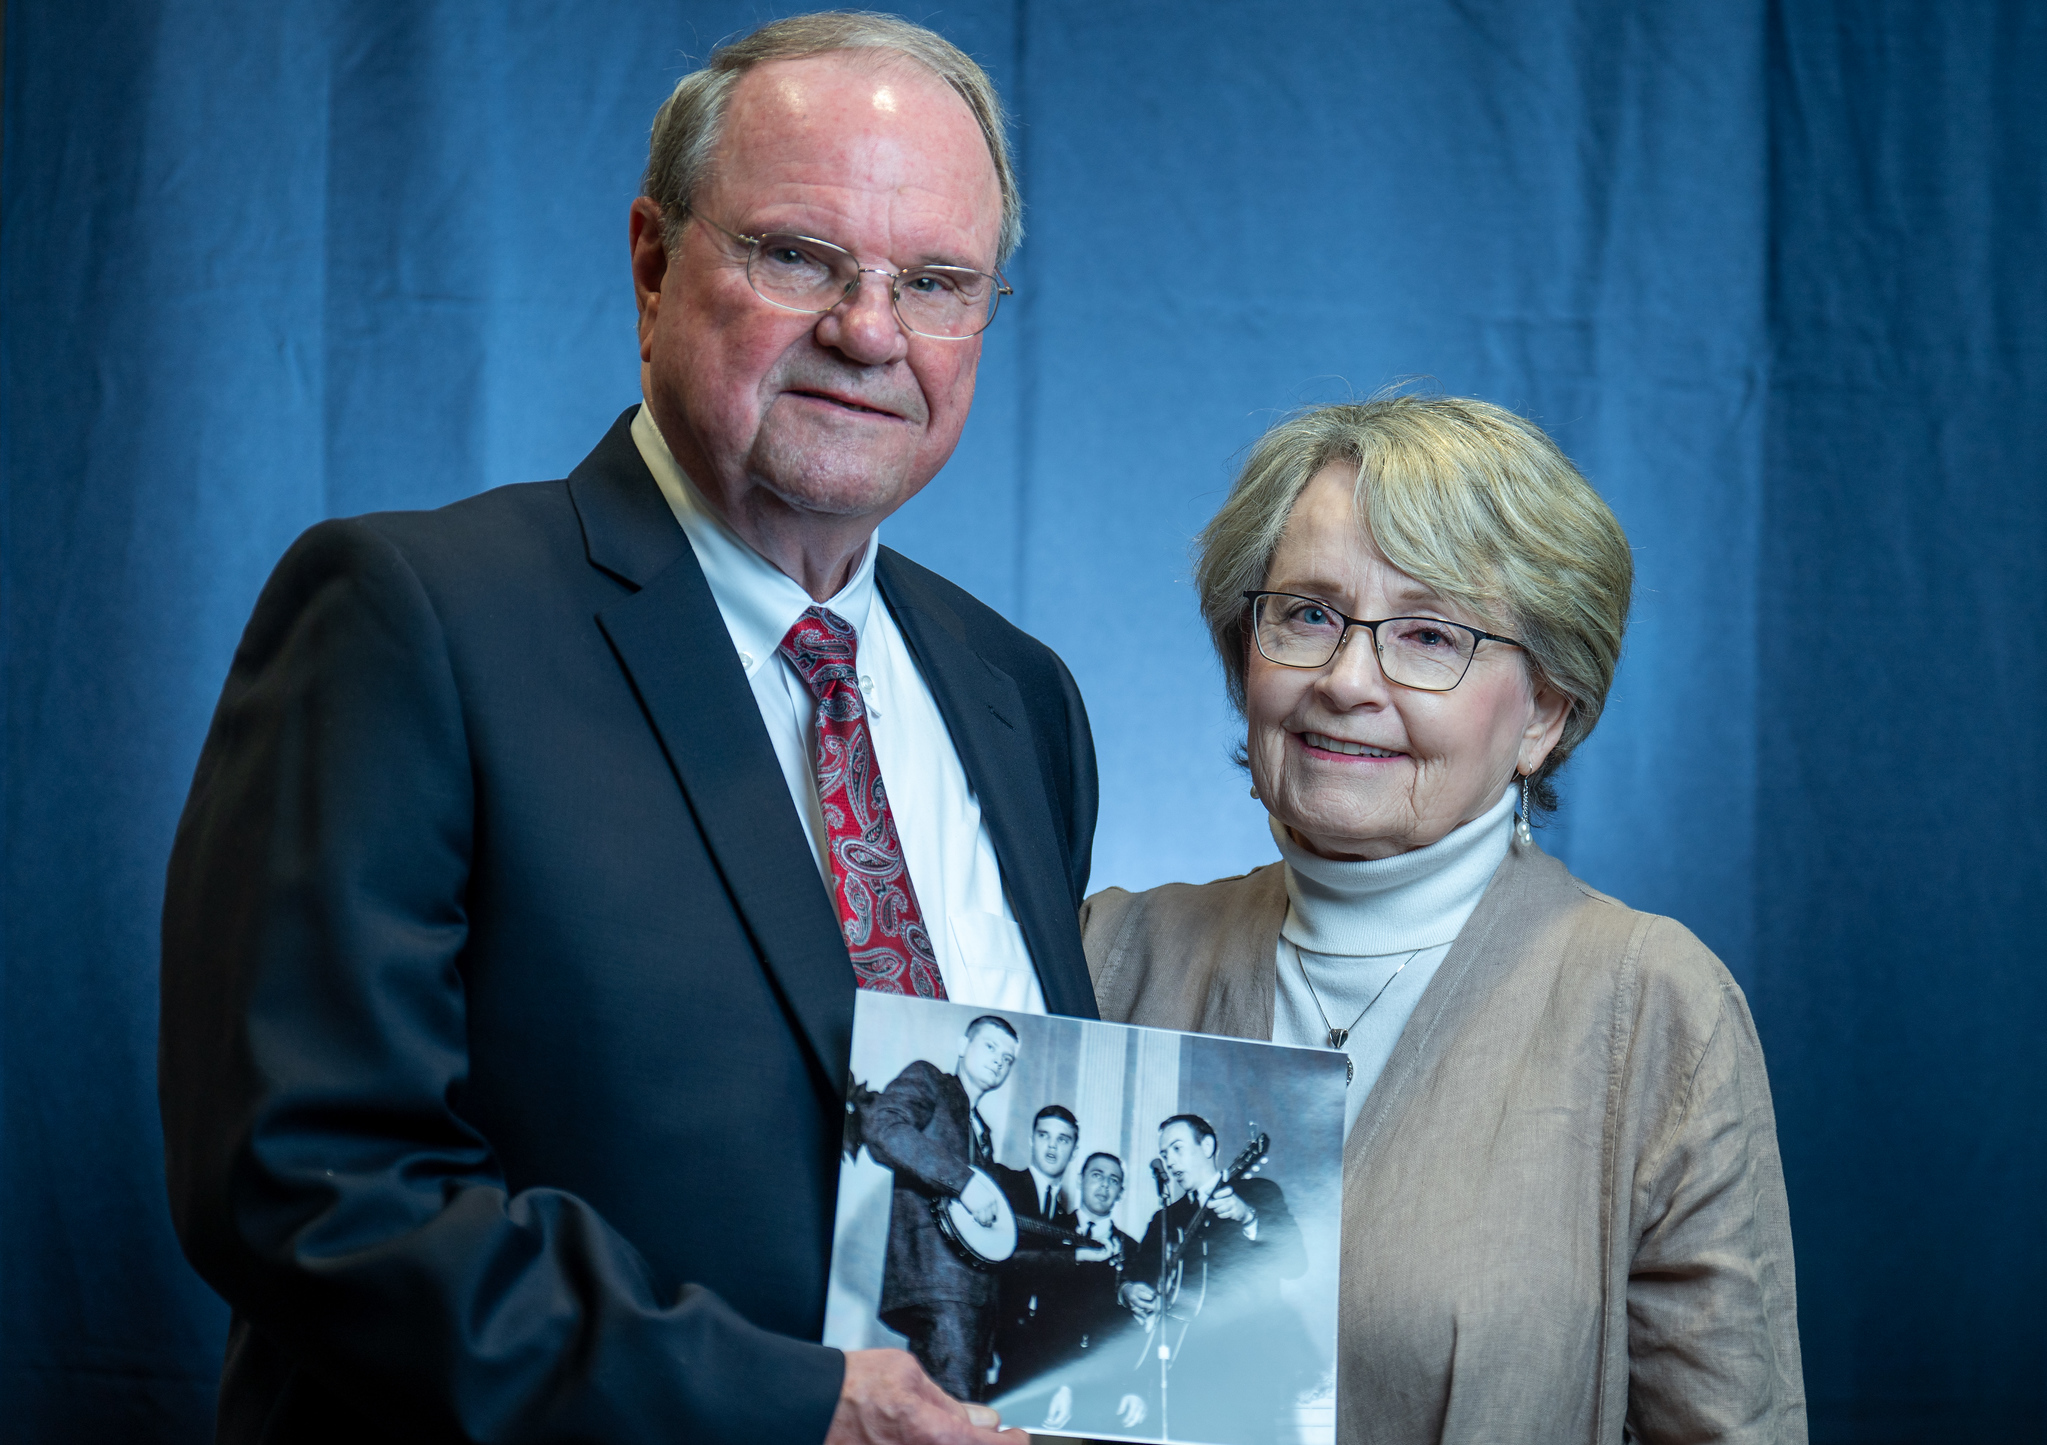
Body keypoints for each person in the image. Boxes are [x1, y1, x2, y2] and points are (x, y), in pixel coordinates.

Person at [157, 14, 1099, 1445]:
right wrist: (794, 1409)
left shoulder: (1014, 693)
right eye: (798, 256)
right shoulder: (412, 616)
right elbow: (308, 1185)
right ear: (653, 261)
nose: (868, 330)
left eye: (935, 281)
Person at [1081, 394, 1806, 1442]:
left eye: (1428, 634)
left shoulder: (1652, 1008)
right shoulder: (1107, 951)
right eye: (1308, 614)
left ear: (1546, 709)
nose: (1344, 680)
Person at [1116, 1115, 1308, 1443]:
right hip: (1184, 1374)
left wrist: (1248, 1216)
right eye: (1165, 1155)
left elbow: (1296, 1263)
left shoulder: (1259, 1193)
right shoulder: (1166, 1217)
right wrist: (1129, 1289)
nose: (1170, 1161)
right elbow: (1135, 1275)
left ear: (1207, 1146)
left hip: (1249, 1370)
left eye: (1177, 1148)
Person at [863, 1017, 1023, 1402]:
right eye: (990, 1047)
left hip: (975, 1298)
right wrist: (963, 1182)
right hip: (940, 1284)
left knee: (944, 1414)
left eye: (1008, 1058)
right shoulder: (929, 1080)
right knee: (952, 1414)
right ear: (963, 1045)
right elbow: (882, 1127)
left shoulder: (981, 1130)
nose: (999, 1061)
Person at [989, 1104, 1081, 1391]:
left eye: (1063, 1139)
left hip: (1037, 1356)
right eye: (1044, 1136)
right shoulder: (1003, 1183)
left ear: (1074, 1151)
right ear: (1032, 1140)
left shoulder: (1070, 1222)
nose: (1052, 1146)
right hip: (989, 1342)